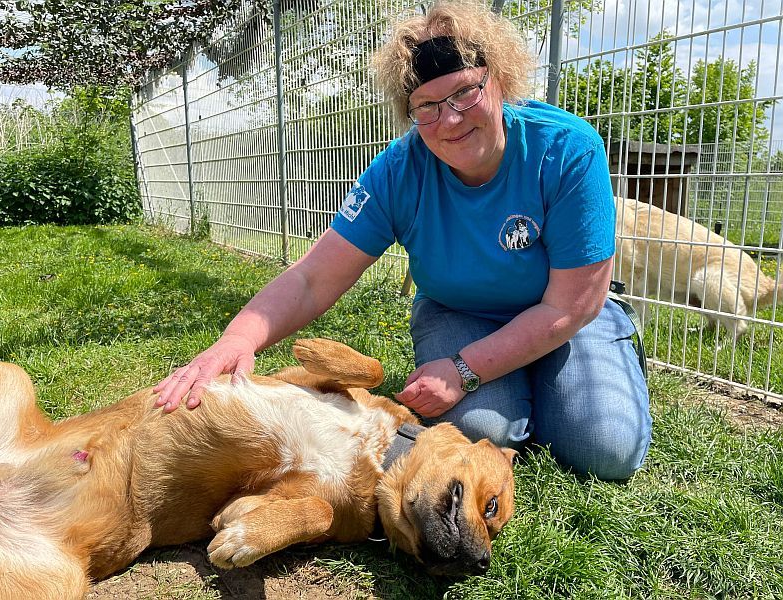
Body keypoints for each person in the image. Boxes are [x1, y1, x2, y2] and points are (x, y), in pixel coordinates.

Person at [154, 0, 651, 481]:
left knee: (605, 448)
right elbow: (311, 278)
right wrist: (237, 340)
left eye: (465, 93)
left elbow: (569, 305)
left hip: (565, 311)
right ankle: (525, 385)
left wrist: (464, 370)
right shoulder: (398, 170)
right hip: (461, 311)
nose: (450, 120)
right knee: (482, 429)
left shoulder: (566, 149)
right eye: (427, 107)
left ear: (498, 78)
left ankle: (590, 355)